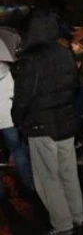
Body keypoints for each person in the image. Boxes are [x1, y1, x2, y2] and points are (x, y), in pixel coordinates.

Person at [12, 11, 83, 235]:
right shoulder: (64, 53)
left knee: (47, 177)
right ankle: (78, 215)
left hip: (41, 124)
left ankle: (62, 223)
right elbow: (74, 85)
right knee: (68, 172)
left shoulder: (30, 59)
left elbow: (24, 95)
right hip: (66, 121)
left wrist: (18, 117)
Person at [0, 60, 35, 200]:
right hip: (9, 116)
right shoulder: (6, 68)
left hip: (6, 117)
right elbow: (15, 92)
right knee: (18, 150)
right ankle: (29, 183)